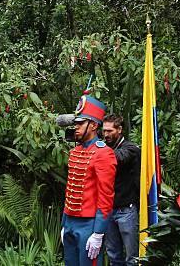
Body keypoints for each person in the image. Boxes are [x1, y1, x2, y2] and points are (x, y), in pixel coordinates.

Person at [62, 95, 117, 266]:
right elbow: (70, 191)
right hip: (70, 222)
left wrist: (98, 232)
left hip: (89, 225)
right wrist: (64, 224)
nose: (76, 128)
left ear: (93, 125)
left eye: (80, 124)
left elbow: (106, 196)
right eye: (75, 124)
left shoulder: (104, 153)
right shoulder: (75, 152)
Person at [102, 114, 140, 266]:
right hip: (109, 210)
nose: (106, 134)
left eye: (110, 131)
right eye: (104, 131)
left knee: (132, 258)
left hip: (126, 211)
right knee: (114, 257)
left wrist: (97, 152)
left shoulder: (131, 148)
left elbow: (119, 158)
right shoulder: (104, 147)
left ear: (119, 130)